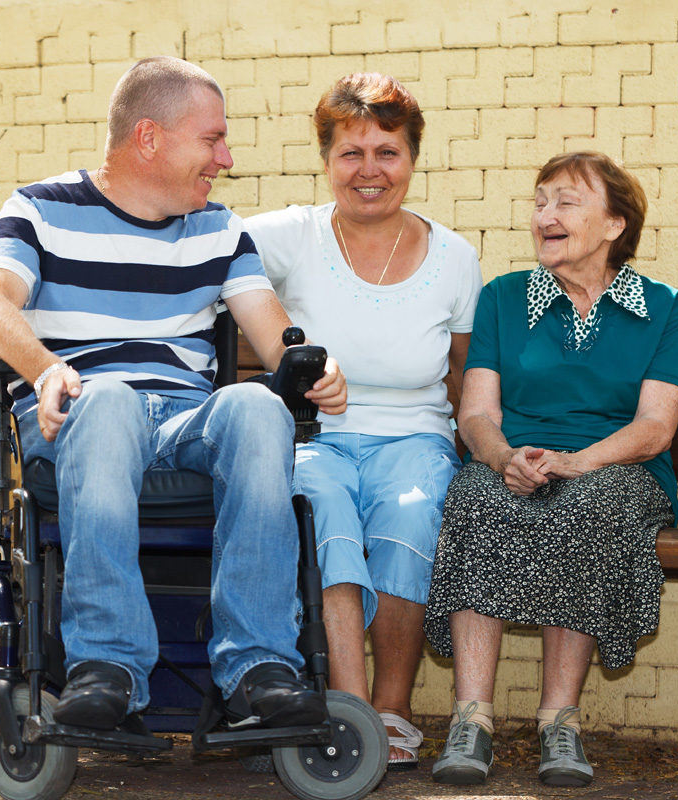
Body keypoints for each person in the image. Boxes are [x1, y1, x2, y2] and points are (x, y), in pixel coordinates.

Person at [0, 56, 348, 733]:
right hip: (79, 415)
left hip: (183, 422)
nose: (224, 158)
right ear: (150, 137)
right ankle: (106, 665)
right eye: (212, 139)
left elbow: (272, 330)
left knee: (258, 404)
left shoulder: (220, 229)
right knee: (108, 401)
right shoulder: (41, 209)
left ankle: (258, 667)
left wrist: (310, 367)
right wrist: (49, 368)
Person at [424, 151, 678, 787]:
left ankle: (559, 722)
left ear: (614, 224)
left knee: (590, 504)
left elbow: (655, 426)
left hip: (617, 467)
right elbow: (478, 411)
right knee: (475, 497)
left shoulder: (662, 306)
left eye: (566, 202)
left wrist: (581, 461)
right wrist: (502, 456)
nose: (546, 214)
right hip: (518, 460)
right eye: (540, 201)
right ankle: (472, 717)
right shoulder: (504, 298)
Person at [244, 72, 482, 770]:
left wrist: (489, 452)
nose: (370, 171)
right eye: (352, 153)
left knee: (410, 516)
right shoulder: (292, 236)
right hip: (316, 438)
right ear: (326, 161)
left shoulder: (455, 258)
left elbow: (463, 373)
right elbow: (203, 245)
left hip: (416, 437)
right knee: (323, 510)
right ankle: (352, 719)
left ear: (412, 160)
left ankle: (394, 710)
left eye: (388, 152)